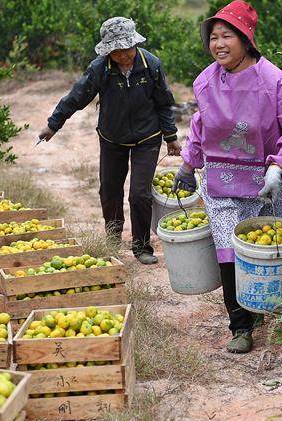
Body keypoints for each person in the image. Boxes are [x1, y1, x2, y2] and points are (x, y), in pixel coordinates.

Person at [173, 0, 282, 353]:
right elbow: (200, 128)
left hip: (267, 182)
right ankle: (240, 326)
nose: (218, 44)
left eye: (226, 36)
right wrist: (188, 166)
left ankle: (272, 313)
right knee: (228, 251)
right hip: (222, 181)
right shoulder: (206, 81)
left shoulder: (275, 81)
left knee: (268, 250)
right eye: (213, 37)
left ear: (246, 39)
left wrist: (280, 165)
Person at [39, 17, 180, 265]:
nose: (123, 56)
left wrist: (171, 137)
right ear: (108, 51)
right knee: (110, 191)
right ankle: (113, 240)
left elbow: (164, 104)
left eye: (126, 49)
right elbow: (76, 97)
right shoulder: (100, 68)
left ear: (134, 44)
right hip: (112, 138)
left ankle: (141, 246)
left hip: (147, 139)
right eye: (116, 52)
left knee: (139, 195)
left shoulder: (151, 65)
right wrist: (54, 124)